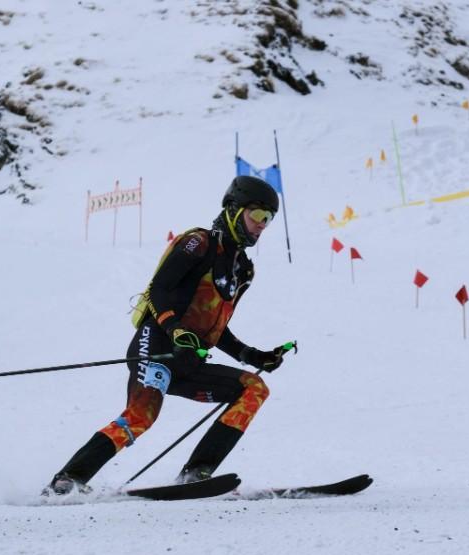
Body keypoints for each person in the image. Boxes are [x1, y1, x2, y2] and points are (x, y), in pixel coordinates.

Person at [43, 176, 289, 496]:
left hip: (189, 359)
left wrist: (249, 354)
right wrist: (176, 331)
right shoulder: (198, 243)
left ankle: (196, 473)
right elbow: (160, 291)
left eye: (269, 219)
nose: (262, 225)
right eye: (257, 215)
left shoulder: (243, 269)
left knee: (253, 389)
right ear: (233, 210)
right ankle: (68, 478)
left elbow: (214, 325)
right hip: (157, 346)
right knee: (141, 416)